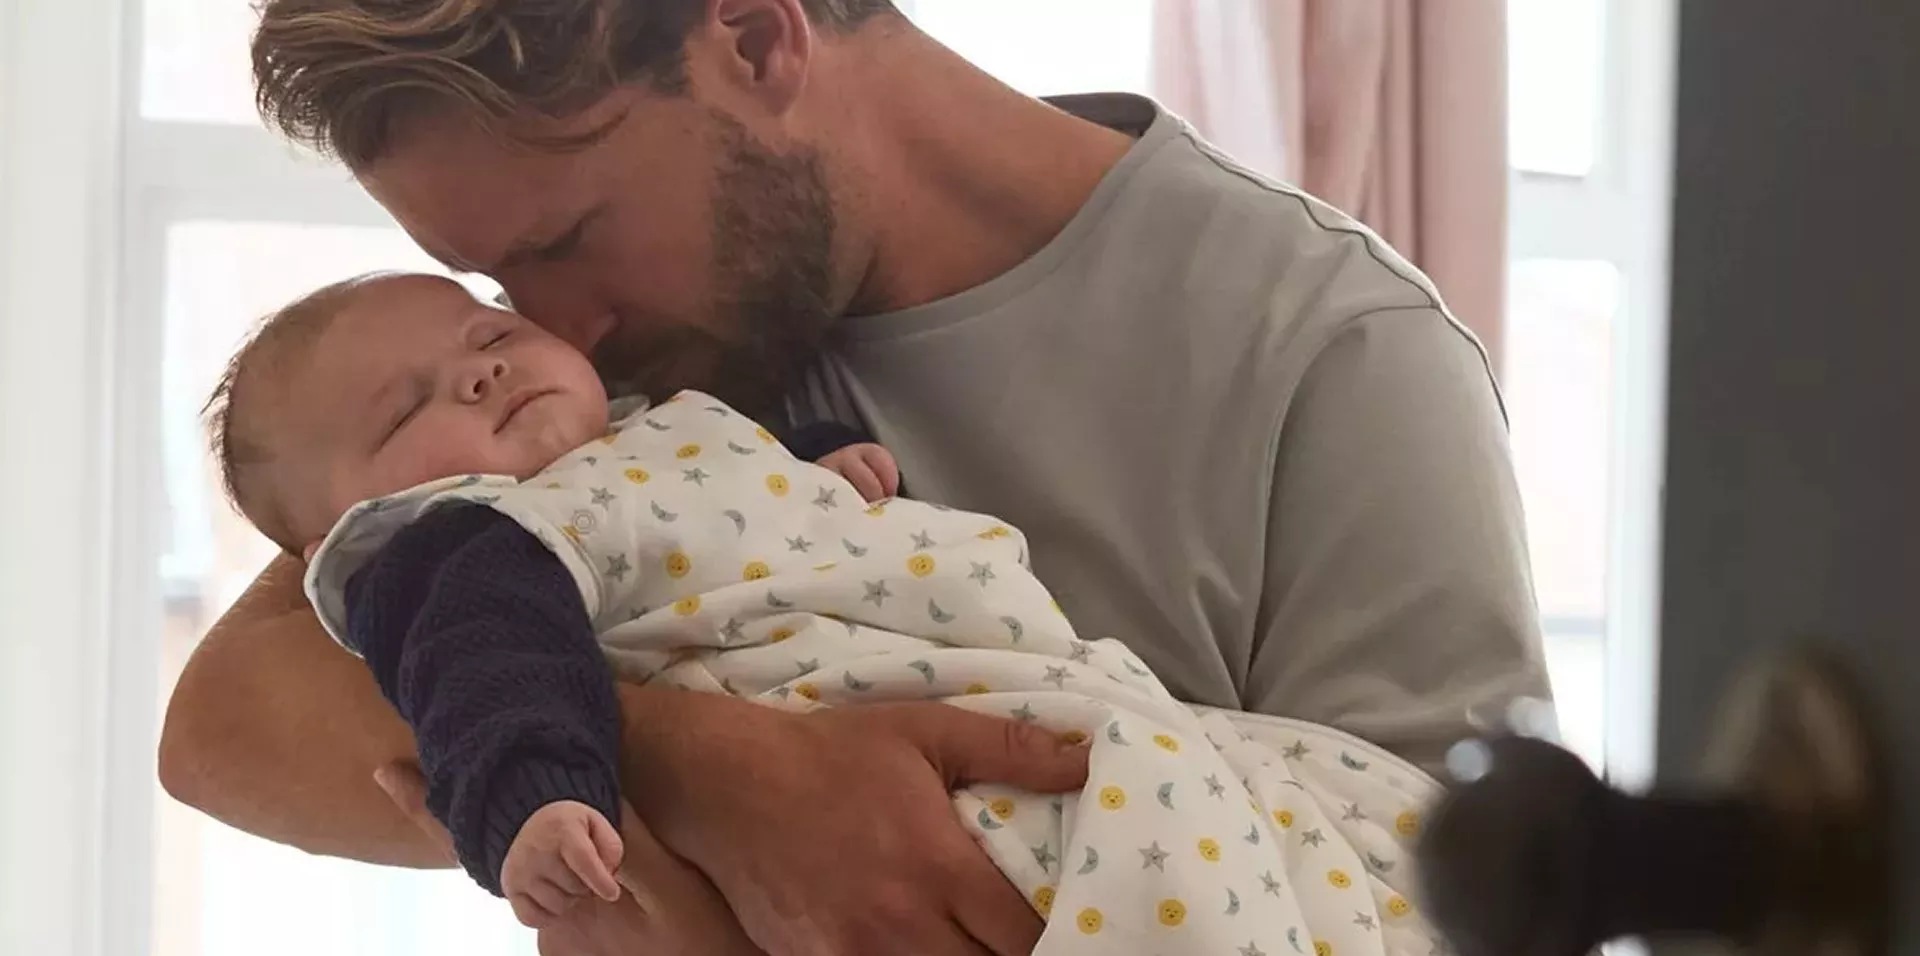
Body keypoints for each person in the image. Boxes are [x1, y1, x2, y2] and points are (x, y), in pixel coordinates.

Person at [157, 2, 1550, 954]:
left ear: (756, 38)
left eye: (568, 238)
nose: (552, 324)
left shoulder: (1333, 352)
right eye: (497, 285)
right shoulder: (602, 395)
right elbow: (231, 723)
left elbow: (1457, 898)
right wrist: (718, 771)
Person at [210, 268, 1444, 953]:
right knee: (1164, 860)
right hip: (945, 786)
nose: (482, 369)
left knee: (1336, 823)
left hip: (1054, 696)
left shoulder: (652, 423)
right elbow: (486, 671)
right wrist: (534, 796)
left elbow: (741, 480)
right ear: (341, 535)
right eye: (406, 407)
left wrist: (825, 465)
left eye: (491, 329)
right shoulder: (474, 541)